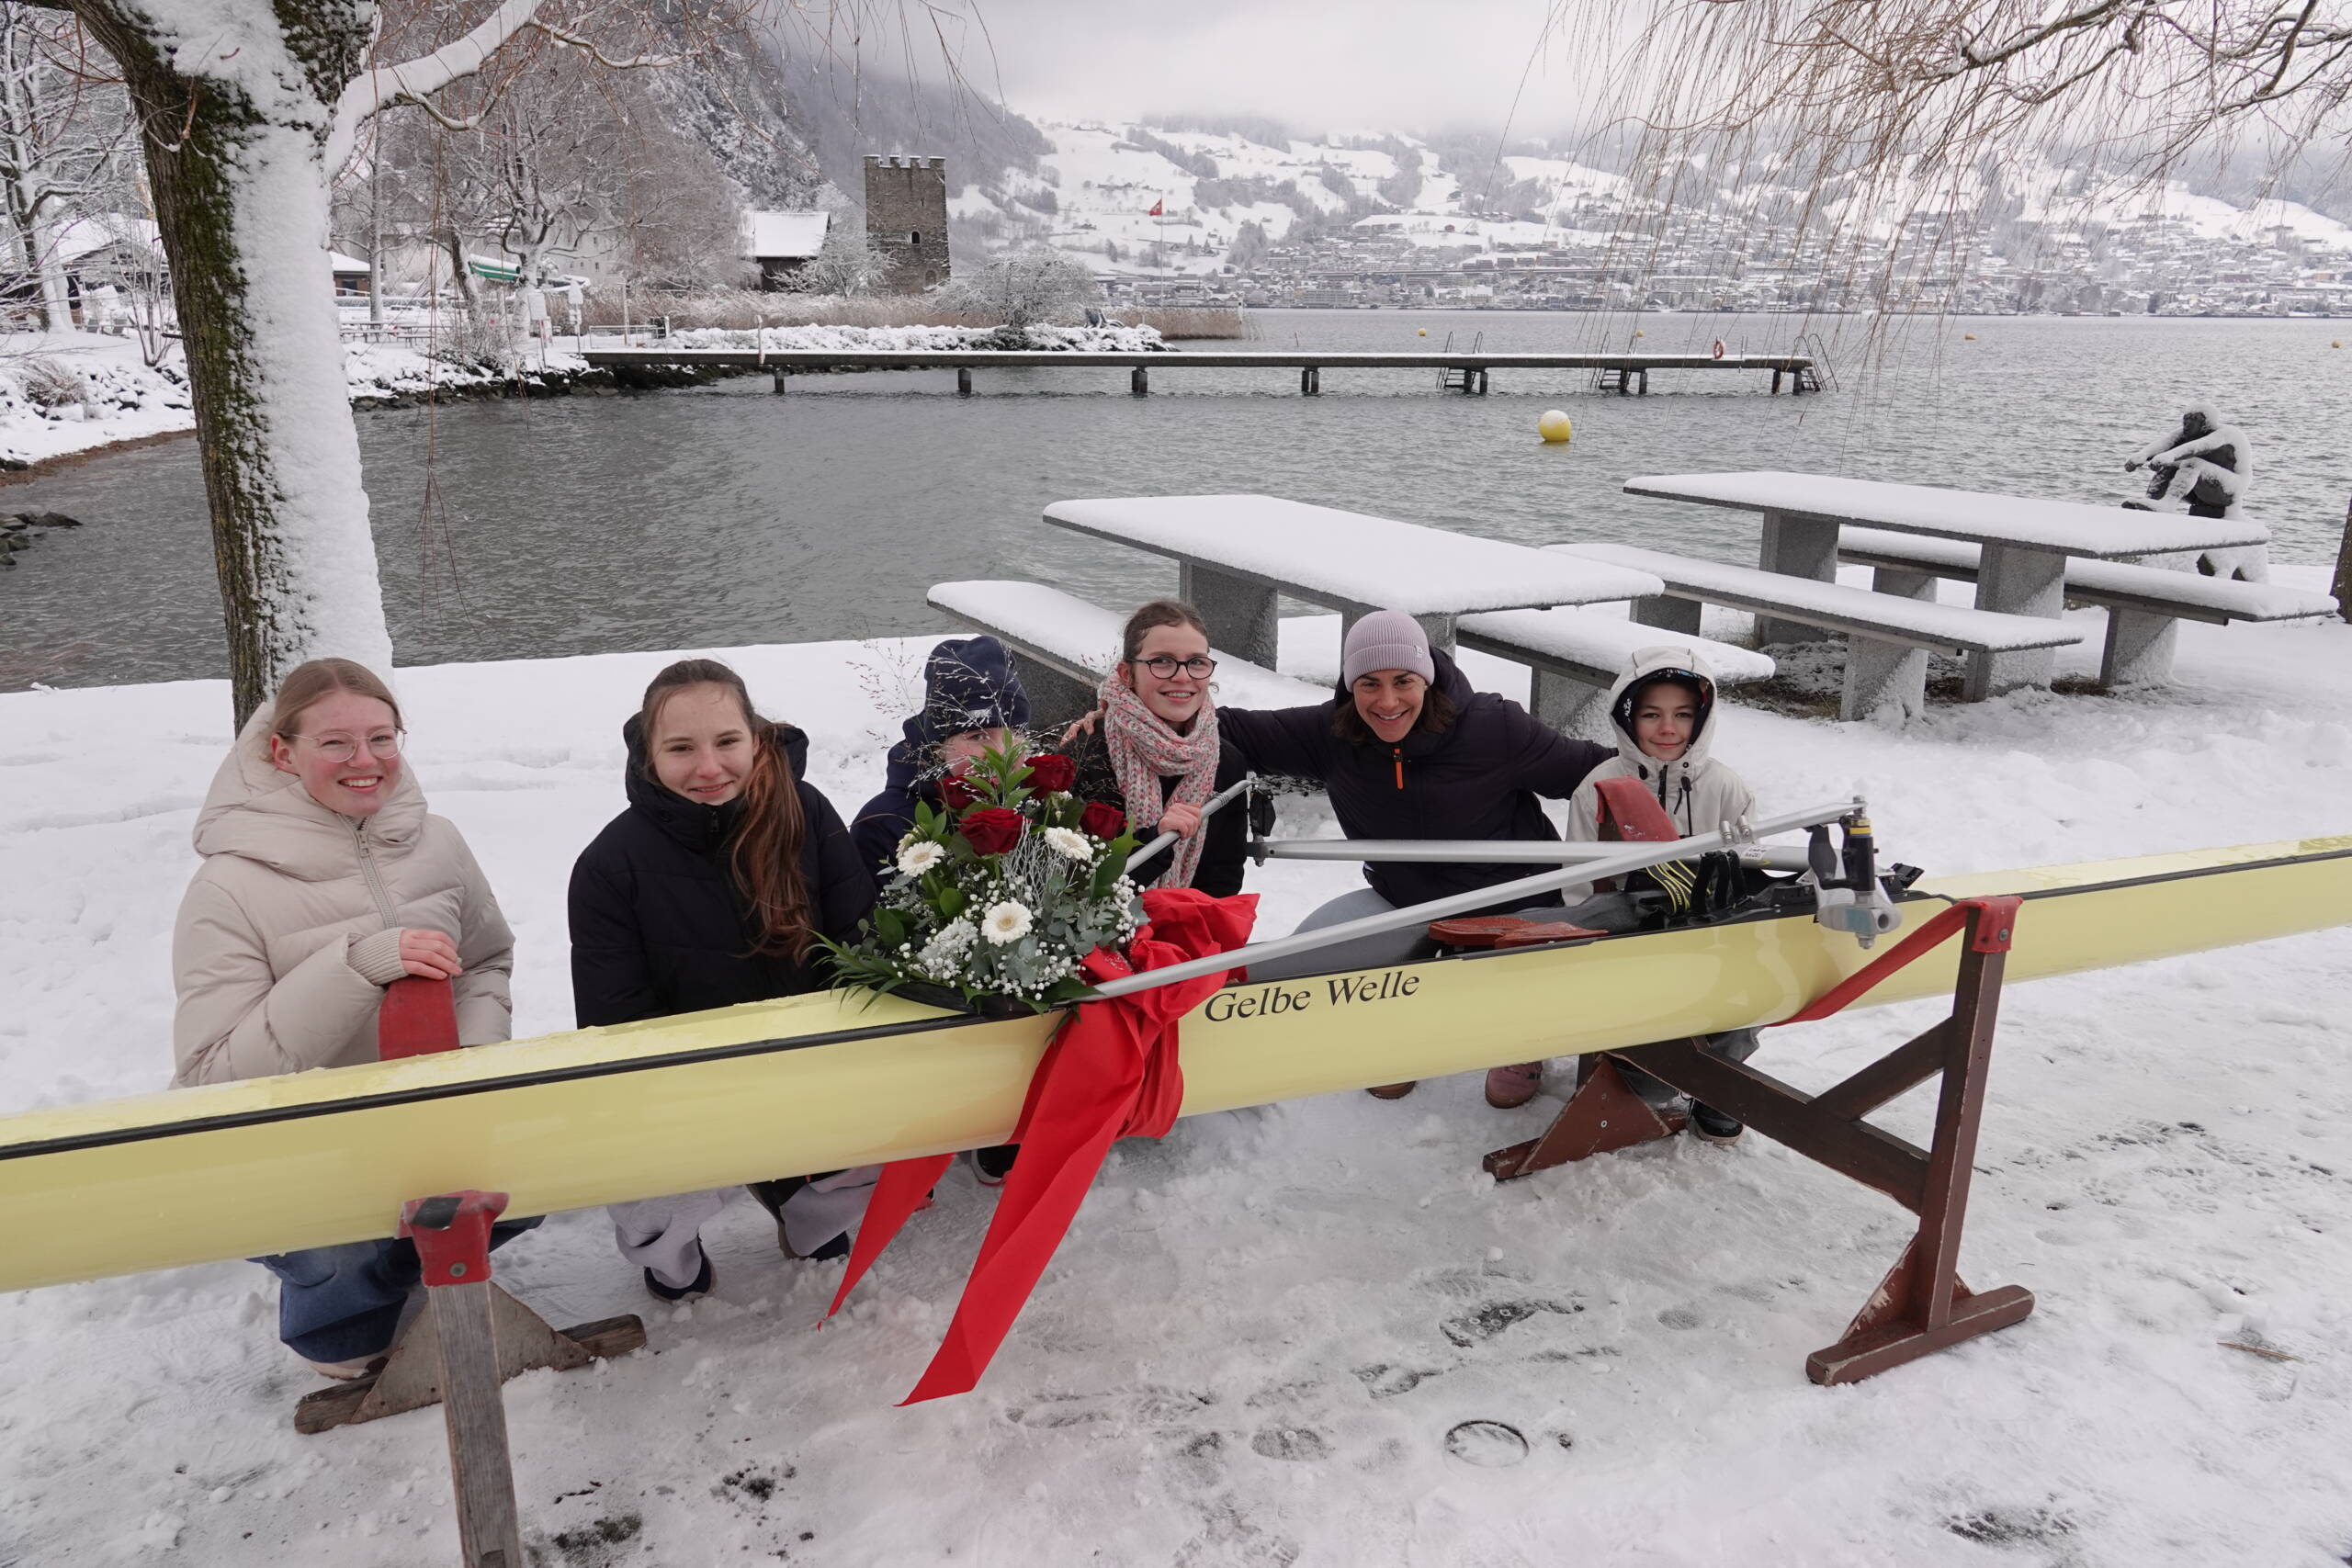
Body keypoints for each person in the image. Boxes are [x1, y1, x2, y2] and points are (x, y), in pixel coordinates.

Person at [171, 657, 526, 1379]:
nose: (365, 761)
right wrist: (358, 965)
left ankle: (411, 1264)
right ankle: (340, 1309)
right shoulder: (226, 887)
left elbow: (486, 958)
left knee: (537, 1177)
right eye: (335, 742)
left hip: (428, 1120)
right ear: (282, 752)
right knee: (343, 1291)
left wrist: (472, 1061)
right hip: (302, 1143)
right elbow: (212, 1076)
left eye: (381, 738)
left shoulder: (439, 840)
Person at [568, 658, 876, 1299]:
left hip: (806, 1061)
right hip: (688, 1084)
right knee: (647, 1181)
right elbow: (614, 1020)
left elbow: (859, 946)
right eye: (681, 748)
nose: (708, 768)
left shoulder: (806, 813)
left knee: (890, 1124)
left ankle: (803, 1203)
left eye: (727, 741)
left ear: (757, 739)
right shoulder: (608, 866)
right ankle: (673, 1249)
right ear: (650, 754)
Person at [1219, 611, 1613, 1100]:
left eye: (1403, 681)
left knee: (1509, 988)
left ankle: (1520, 1038)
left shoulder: (1495, 726)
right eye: (1369, 683)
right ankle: (1403, 1031)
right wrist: (1142, 710)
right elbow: (1227, 729)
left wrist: (1676, 761)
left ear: (1425, 678)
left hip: (1517, 905)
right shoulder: (1330, 732)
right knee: (1302, 963)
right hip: (1406, 902)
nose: (1387, 701)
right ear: (1350, 686)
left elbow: (1596, 772)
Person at [1507, 647, 1762, 1140]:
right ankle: (1646, 1075)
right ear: (1628, 717)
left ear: (1701, 718)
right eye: (1651, 715)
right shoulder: (1598, 787)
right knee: (1647, 1078)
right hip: (1626, 938)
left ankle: (1721, 1087)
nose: (1668, 728)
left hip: (1708, 935)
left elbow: (1747, 872)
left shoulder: (1727, 789)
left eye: (1682, 714)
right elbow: (1579, 885)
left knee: (1745, 994)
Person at [1064, 599, 1253, 897]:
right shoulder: (1087, 754)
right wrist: (1155, 839)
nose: (1183, 676)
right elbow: (1065, 881)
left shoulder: (1226, 760)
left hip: (1187, 921)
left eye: (1196, 662)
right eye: (1162, 661)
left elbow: (1223, 877)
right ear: (1127, 674)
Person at [850, 635, 1031, 886]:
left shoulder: (1039, 809)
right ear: (938, 747)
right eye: (978, 736)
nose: (1001, 753)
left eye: (1015, 734)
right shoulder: (884, 824)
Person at [2123, 403, 2267, 581]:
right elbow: (2165, 444)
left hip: (2230, 490)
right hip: (2202, 490)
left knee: (2192, 462)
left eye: (2193, 421)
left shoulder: (2226, 433)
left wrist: (2170, 455)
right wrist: (2142, 456)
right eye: (2186, 420)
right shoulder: (2185, 434)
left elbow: (2201, 446)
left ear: (2206, 423)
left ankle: (2168, 504)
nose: (2187, 425)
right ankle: (2154, 502)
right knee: (2172, 465)